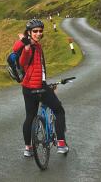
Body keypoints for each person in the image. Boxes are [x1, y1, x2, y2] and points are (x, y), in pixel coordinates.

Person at [13, 18, 69, 157]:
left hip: (27, 88)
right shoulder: (27, 46)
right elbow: (23, 60)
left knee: (30, 116)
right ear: (29, 32)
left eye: (40, 31)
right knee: (59, 110)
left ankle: (28, 148)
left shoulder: (35, 44)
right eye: (35, 31)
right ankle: (61, 144)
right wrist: (26, 45)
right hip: (39, 86)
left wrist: (26, 42)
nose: (38, 33)